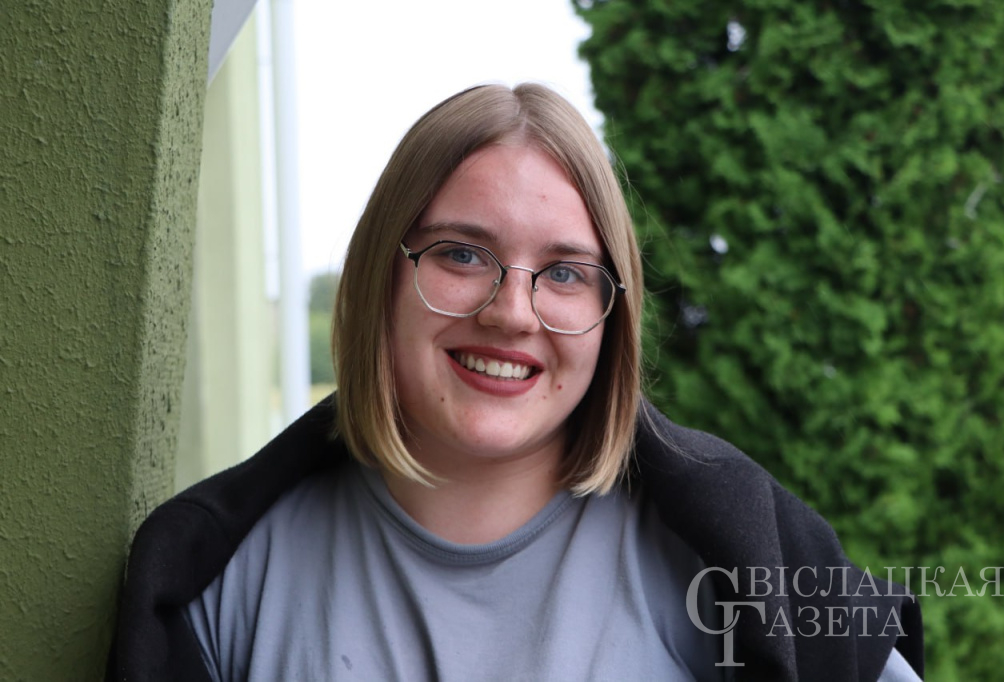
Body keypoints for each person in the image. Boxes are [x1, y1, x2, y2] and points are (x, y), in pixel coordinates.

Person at [107, 83, 924, 681]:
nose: (511, 312)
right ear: (380, 280)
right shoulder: (222, 582)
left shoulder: (735, 560)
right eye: (462, 254)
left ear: (611, 315)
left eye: (565, 272)